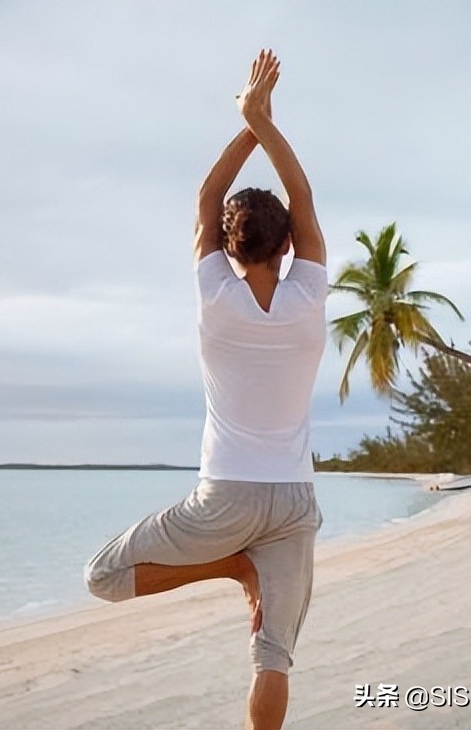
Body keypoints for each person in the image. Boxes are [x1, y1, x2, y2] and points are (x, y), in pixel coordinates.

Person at [84, 50, 328, 729]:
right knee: (272, 658)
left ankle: (228, 568)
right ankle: (239, 569)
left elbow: (203, 200)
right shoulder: (308, 297)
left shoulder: (215, 295)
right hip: (293, 503)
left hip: (224, 498)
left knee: (102, 576)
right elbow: (303, 199)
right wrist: (263, 121)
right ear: (286, 249)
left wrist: (247, 122)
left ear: (227, 246)